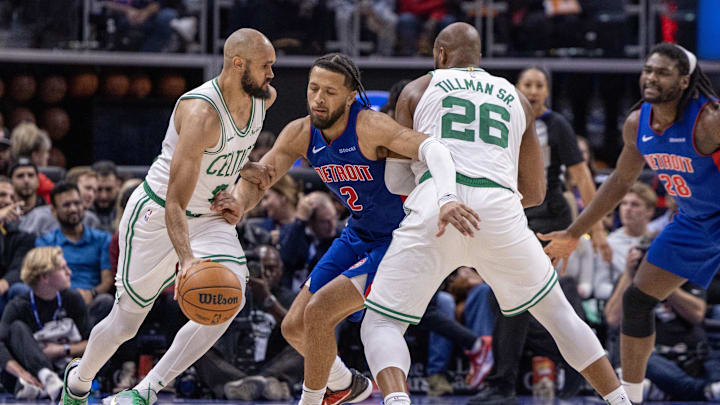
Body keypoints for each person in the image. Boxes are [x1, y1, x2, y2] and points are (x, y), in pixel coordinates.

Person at [359, 22, 631, 405]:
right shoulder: (516, 98)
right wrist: (491, 211)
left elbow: (396, 180)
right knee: (559, 316)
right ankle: (621, 400)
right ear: (479, 59)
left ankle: (398, 400)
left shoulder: (418, 89)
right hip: (499, 209)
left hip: (436, 205)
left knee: (383, 322)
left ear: (440, 55)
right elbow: (534, 192)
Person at [229, 52, 470, 405]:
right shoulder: (300, 132)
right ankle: (347, 385)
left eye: (329, 91)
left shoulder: (371, 126)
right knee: (295, 327)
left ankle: (310, 400)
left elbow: (432, 149)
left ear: (350, 95)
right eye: (313, 88)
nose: (318, 98)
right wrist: (237, 204)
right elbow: (261, 179)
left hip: (398, 239)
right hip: (357, 233)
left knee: (319, 313)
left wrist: (448, 194)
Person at [60, 28, 277, 405]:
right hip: (158, 216)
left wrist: (244, 170)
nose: (273, 75)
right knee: (126, 323)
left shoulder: (264, 98)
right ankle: (78, 384)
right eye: (266, 66)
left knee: (230, 296)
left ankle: (144, 392)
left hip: (209, 214)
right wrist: (187, 259)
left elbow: (228, 151)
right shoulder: (201, 113)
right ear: (237, 64)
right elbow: (175, 202)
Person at [540, 42, 720, 404]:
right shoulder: (638, 125)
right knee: (637, 301)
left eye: (662, 72)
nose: (651, 78)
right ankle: (631, 399)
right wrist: (575, 232)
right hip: (693, 224)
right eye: (648, 70)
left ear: (684, 81)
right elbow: (619, 184)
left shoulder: (709, 120)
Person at [471, 65, 612, 401]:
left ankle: (506, 383)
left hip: (550, 223)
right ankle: (578, 365)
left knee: (519, 300)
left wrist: (599, 230)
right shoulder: (500, 120)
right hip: (513, 219)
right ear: (515, 88)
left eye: (539, 85)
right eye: (527, 84)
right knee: (512, 302)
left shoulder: (556, 125)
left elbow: (582, 177)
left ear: (547, 91)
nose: (533, 91)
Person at [0, 247, 89, 402]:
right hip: (30, 370)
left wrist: (62, 350)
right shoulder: (18, 305)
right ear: (45, 277)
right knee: (17, 328)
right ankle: (45, 379)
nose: (69, 272)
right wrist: (21, 372)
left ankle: (45, 386)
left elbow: (91, 342)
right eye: (63, 268)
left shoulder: (73, 299)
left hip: (65, 367)